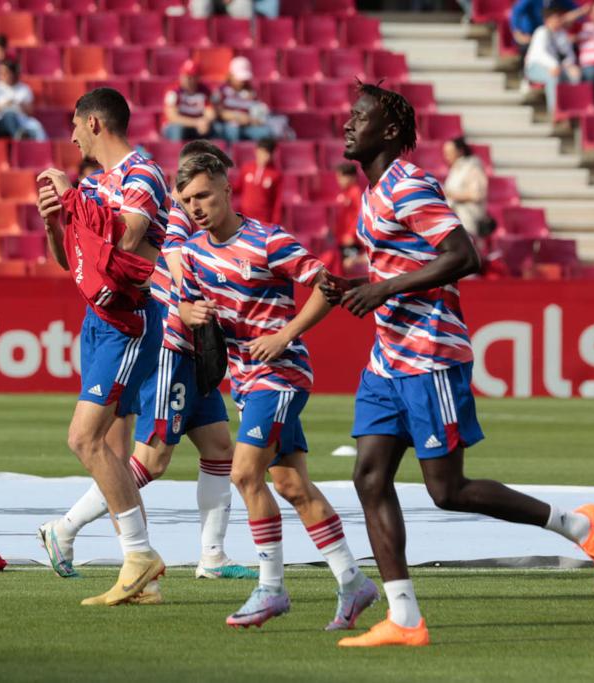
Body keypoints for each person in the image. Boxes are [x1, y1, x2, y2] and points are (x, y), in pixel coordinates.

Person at [321, 82, 594, 648]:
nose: (347, 125)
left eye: (358, 117)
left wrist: (383, 287)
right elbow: (400, 265)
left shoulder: (409, 184)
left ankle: (579, 525)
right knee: (368, 475)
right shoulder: (370, 195)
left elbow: (465, 256)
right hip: (389, 356)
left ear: (387, 132)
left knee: (447, 489)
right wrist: (355, 290)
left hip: (430, 352)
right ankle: (405, 618)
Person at [37, 141, 257, 595]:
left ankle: (212, 557)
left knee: (218, 448)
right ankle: (65, 528)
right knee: (150, 461)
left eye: (208, 193)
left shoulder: (209, 222)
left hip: (194, 351)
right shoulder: (176, 219)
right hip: (169, 349)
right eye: (195, 192)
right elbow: (155, 265)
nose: (199, 202)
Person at [176, 153, 378, 630]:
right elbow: (184, 304)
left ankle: (271, 588)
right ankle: (353, 582)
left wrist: (284, 335)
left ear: (228, 189)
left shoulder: (268, 241)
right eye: (186, 201)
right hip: (246, 379)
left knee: (245, 474)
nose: (196, 207)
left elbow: (327, 287)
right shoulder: (195, 251)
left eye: (203, 195)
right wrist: (187, 314)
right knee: (290, 484)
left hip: (282, 372)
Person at [35, 87, 170, 607]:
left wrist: (74, 199)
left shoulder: (142, 175)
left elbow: (130, 239)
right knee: (112, 450)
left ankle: (139, 555)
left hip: (127, 322)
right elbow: (72, 263)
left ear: (95, 123)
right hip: (97, 317)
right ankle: (144, 580)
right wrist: (56, 221)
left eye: (74, 124)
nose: (69, 135)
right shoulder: (95, 184)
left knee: (83, 439)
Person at [524, 8, 582, 115]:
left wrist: (569, 66)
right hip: (535, 67)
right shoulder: (541, 32)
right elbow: (540, 54)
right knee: (553, 77)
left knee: (575, 75)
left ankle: (573, 109)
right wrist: (554, 65)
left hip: (559, 68)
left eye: (559, 19)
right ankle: (555, 112)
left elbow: (569, 55)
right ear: (547, 20)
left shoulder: (562, 35)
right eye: (555, 19)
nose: (558, 21)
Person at [212, 57, 273, 143]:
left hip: (248, 126)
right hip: (228, 126)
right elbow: (218, 112)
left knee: (265, 132)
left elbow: (259, 113)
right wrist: (239, 117)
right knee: (232, 131)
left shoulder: (253, 92)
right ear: (231, 75)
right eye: (240, 78)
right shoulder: (221, 90)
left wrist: (253, 119)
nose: (243, 81)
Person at [0, 60, 47, 141]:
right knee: (9, 114)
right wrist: (4, 105)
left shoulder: (24, 89)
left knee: (36, 127)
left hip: (20, 120)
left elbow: (30, 112)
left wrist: (17, 104)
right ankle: (19, 137)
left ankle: (38, 149)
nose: (2, 75)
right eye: (0, 72)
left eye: (6, 73)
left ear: (13, 73)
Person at [442, 137, 488, 236]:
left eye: (450, 153)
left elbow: (476, 195)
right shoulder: (454, 169)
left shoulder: (472, 167)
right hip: (454, 219)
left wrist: (451, 194)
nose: (446, 157)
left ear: (460, 152)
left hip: (468, 219)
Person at [162, 60, 216, 142]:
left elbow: (211, 113)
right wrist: (197, 122)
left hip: (198, 126)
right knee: (178, 129)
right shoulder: (173, 91)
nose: (188, 79)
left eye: (191, 76)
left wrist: (205, 121)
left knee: (216, 128)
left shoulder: (205, 91)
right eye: (186, 76)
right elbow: (172, 117)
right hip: (176, 127)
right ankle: (176, 152)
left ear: (197, 77)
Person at [233, 137, 282, 225]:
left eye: (267, 153)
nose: (264, 157)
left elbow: (277, 201)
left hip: (264, 220)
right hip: (245, 218)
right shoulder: (247, 168)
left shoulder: (276, 174)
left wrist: (275, 223)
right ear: (256, 151)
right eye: (262, 152)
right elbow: (237, 187)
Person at [510, 0, 584, 51]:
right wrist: (517, 32)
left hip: (551, 35)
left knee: (570, 46)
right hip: (531, 35)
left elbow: (577, 11)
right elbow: (517, 12)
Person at [334, 162, 365, 275]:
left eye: (341, 177)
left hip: (351, 240)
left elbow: (360, 215)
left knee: (349, 267)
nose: (338, 180)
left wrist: (352, 234)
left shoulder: (356, 193)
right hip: (342, 238)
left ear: (351, 177)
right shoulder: (344, 194)